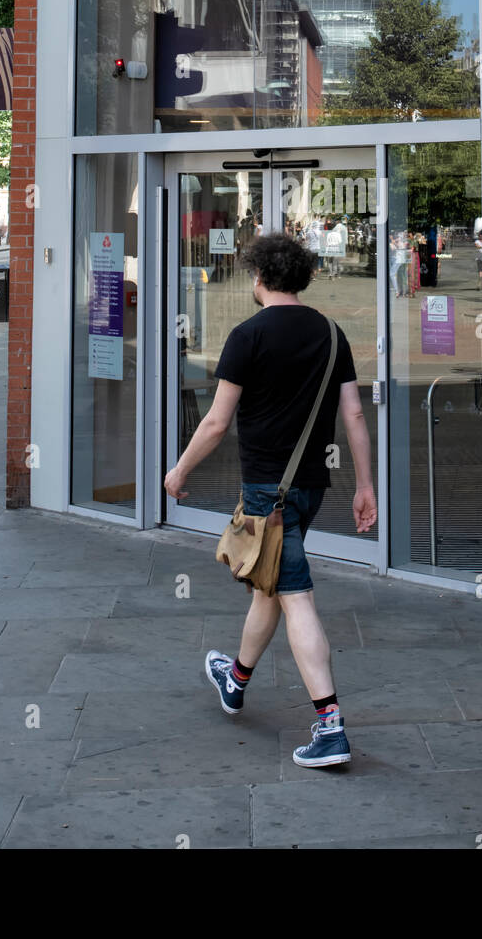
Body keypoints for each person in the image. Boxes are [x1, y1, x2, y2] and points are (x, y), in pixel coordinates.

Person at [163, 232, 376, 769]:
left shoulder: (247, 336)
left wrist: (179, 470)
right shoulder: (331, 333)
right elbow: (353, 415)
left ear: (258, 278)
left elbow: (216, 422)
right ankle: (234, 681)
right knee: (270, 587)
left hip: (266, 492)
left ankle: (330, 728)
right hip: (309, 487)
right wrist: (366, 486)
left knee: (295, 594)